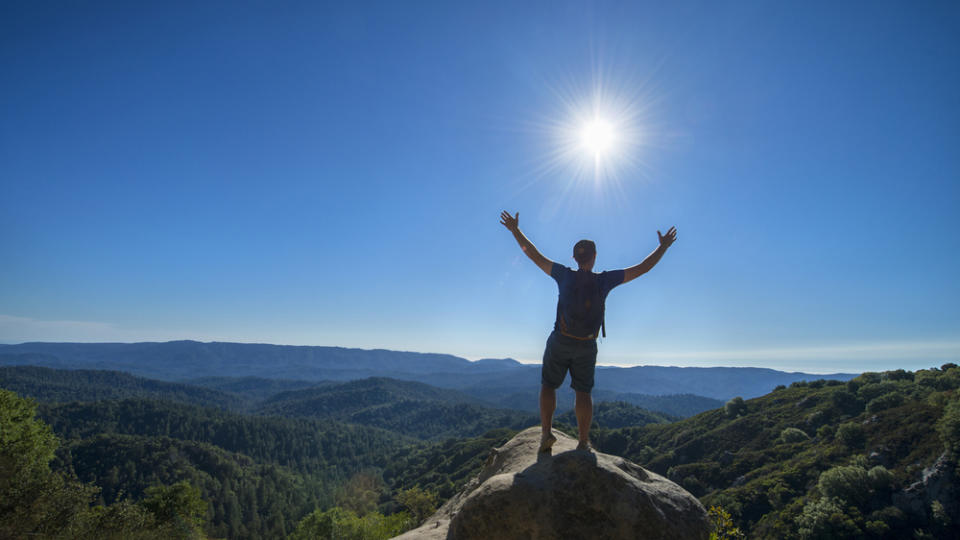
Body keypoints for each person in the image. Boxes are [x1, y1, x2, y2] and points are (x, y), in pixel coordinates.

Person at [499, 210, 677, 452]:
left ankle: (546, 435)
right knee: (583, 392)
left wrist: (515, 230)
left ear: (574, 257)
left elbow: (533, 255)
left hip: (560, 340)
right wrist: (663, 247)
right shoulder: (604, 281)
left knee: (548, 386)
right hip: (587, 344)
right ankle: (583, 442)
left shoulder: (562, 275)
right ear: (594, 257)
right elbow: (643, 268)